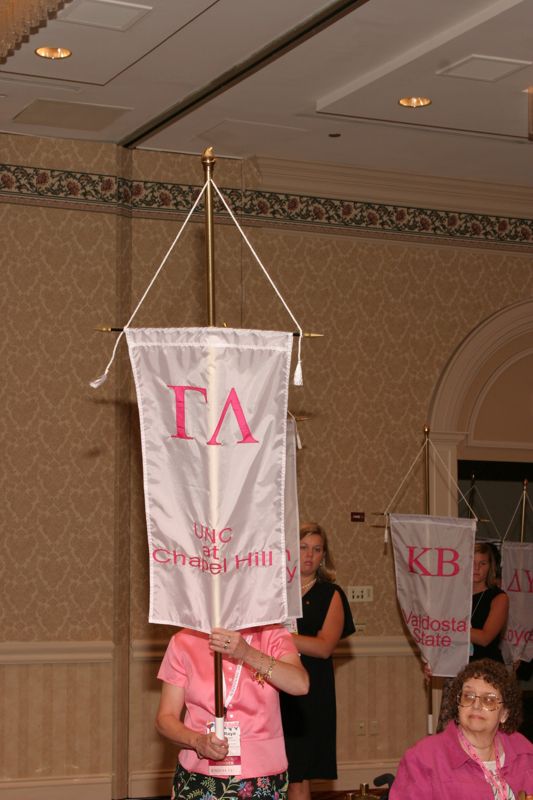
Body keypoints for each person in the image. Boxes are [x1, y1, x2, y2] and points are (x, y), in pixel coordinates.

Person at [155, 624, 309, 800]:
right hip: (198, 774)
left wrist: (247, 653)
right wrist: (197, 742)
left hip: (263, 777)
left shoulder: (271, 633)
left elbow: (300, 684)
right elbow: (165, 719)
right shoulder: (183, 640)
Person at [280, 522, 355, 800]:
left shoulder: (330, 594)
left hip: (309, 690)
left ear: (324, 556)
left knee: (298, 772)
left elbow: (324, 648)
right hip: (271, 684)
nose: (309, 555)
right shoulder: (272, 591)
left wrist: (277, 636)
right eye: (303, 547)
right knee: (271, 769)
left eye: (316, 549)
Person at [391, 658, 533, 799]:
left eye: (489, 700)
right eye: (468, 696)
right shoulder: (423, 759)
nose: (476, 705)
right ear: (458, 705)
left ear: (504, 714)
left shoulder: (524, 751)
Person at [471, 542, 509, 663]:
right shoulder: (455, 594)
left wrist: (447, 628)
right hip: (455, 666)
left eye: (482, 563)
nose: (476, 568)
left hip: (487, 667)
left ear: (490, 567)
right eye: (472, 562)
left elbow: (485, 638)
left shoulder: (499, 597)